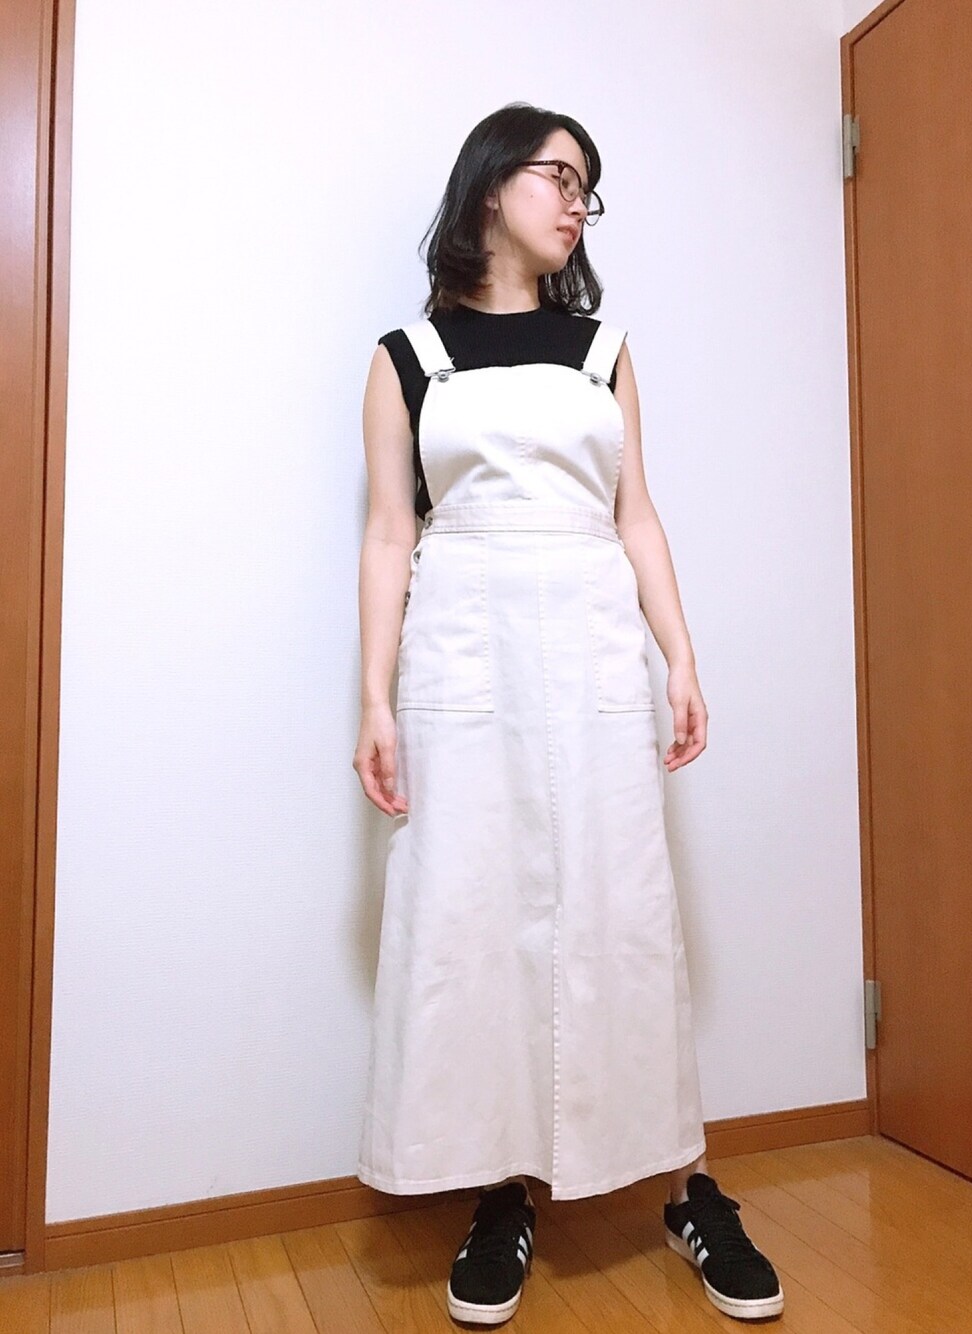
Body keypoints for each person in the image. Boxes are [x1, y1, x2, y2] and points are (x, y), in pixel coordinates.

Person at [353, 102, 783, 1326]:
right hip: (463, 647)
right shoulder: (405, 356)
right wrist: (373, 696)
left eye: (588, 185)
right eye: (558, 174)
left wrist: (680, 654)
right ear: (492, 184)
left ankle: (687, 1186)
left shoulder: (603, 349)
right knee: (471, 907)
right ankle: (500, 1190)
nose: (577, 201)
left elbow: (634, 513)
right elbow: (389, 532)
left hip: (592, 638)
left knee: (620, 906)